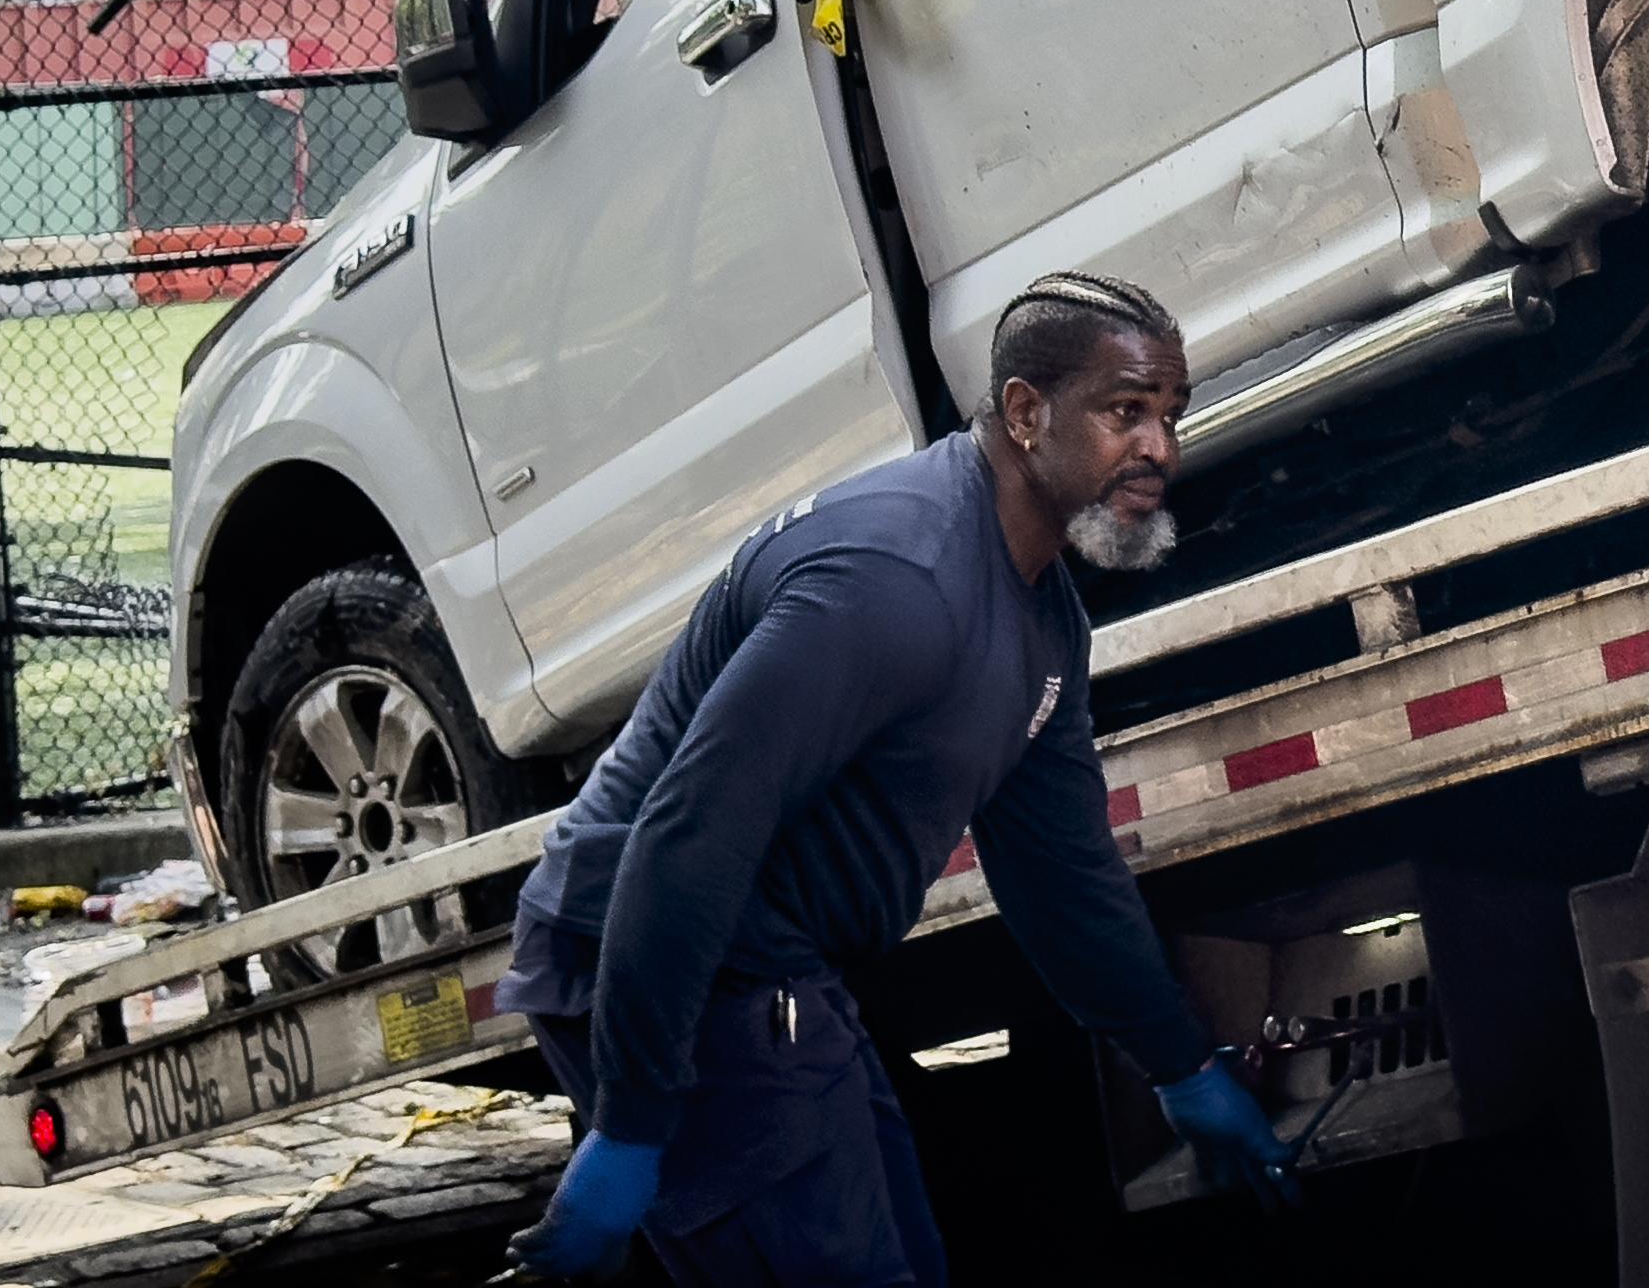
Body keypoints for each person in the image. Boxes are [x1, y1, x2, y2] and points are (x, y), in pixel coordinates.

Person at [499, 271, 1291, 1283]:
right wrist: (634, 1122)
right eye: (1125, 411)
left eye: (1170, 415)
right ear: (1023, 411)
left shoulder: (1045, 617)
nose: (1159, 449)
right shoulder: (892, 582)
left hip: (773, 965)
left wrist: (1177, 1064)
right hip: (665, 957)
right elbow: (688, 832)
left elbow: (1062, 874)